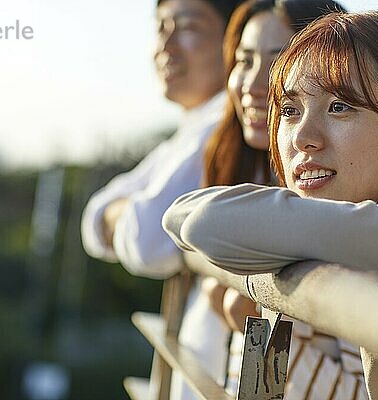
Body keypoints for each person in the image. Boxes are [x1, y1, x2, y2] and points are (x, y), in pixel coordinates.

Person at [163, 11, 378, 400]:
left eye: (340, 107)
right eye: (290, 110)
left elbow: (202, 222)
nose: (302, 137)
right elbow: (181, 216)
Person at [197, 1, 368, 397]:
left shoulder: (345, 203)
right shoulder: (251, 178)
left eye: (279, 61)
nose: (254, 84)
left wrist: (262, 320)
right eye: (244, 60)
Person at [80, 1, 242, 399]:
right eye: (160, 27)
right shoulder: (193, 128)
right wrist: (123, 213)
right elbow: (93, 217)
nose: (165, 45)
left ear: (232, 38)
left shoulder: (225, 125)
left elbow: (149, 240)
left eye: (187, 27)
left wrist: (124, 213)